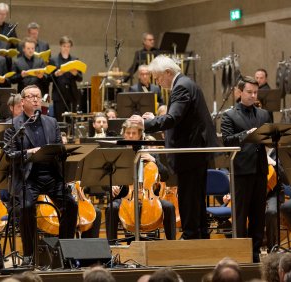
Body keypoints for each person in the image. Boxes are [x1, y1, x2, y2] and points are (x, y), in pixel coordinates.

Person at [130, 55, 218, 240]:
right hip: (195, 153)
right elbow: (181, 119)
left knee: (189, 198)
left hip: (190, 154)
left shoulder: (181, 87)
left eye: (158, 77)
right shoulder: (186, 84)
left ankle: (191, 237)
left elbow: (173, 118)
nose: (158, 82)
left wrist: (146, 124)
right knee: (195, 198)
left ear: (168, 73)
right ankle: (200, 236)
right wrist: (154, 119)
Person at [3, 85, 78, 264]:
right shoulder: (13, 125)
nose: (36, 99)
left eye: (38, 96)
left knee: (71, 205)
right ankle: (29, 254)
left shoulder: (51, 122)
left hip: (52, 176)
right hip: (29, 178)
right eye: (31, 97)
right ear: (22, 101)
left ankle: (64, 251)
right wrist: (30, 153)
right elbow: (8, 155)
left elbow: (60, 147)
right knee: (26, 207)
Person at [221, 76, 270, 262]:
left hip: (260, 169)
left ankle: (256, 254)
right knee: (240, 215)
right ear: (239, 92)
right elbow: (226, 141)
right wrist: (245, 135)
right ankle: (240, 254)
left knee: (258, 215)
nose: (253, 95)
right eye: (249, 92)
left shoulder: (263, 114)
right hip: (241, 171)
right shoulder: (229, 115)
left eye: (255, 92)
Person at [105, 120, 176, 241]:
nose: (131, 136)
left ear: (140, 135)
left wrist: (154, 160)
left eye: (134, 133)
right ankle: (112, 245)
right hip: (124, 198)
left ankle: (171, 243)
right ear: (124, 134)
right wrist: (110, 186)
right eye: (128, 133)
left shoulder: (149, 152)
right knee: (111, 208)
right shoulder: (117, 154)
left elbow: (165, 176)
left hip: (149, 198)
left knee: (169, 207)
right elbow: (104, 178)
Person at [50, 36, 83, 119]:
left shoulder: (75, 60)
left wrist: (75, 73)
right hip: (59, 94)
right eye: (64, 46)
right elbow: (48, 78)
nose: (66, 48)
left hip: (72, 94)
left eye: (68, 46)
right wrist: (56, 74)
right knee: (59, 120)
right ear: (60, 46)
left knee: (71, 120)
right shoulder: (53, 60)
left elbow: (80, 78)